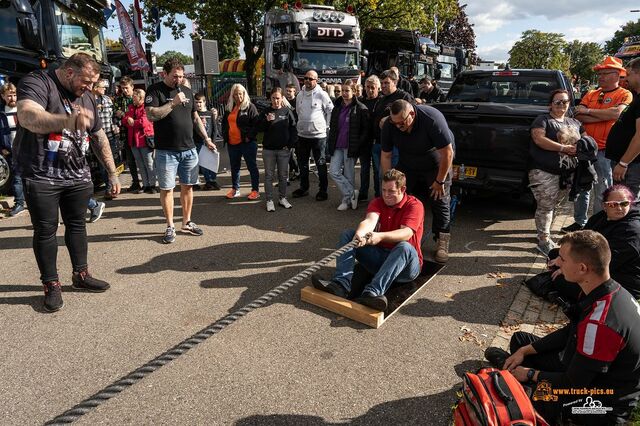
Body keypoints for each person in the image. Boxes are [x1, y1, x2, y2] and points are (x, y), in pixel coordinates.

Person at [485, 230, 640, 425]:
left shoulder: (600, 324)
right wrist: (525, 350)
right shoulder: (606, 288)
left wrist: (531, 374)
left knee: (534, 401)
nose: (557, 262)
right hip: (586, 366)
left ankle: (525, 385)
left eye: (562, 259)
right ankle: (516, 371)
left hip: (603, 402)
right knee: (520, 341)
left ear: (582, 268)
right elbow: (571, 331)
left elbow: (573, 383)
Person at [13, 53, 121, 312]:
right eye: (86, 81)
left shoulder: (88, 96)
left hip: (77, 174)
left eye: (93, 83)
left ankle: (81, 275)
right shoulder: (38, 82)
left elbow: (98, 135)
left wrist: (112, 172)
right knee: (46, 230)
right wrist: (68, 120)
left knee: (77, 225)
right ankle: (51, 284)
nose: (90, 88)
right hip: (41, 173)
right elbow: (28, 116)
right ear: (69, 72)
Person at [311, 169, 424, 311]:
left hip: (406, 268)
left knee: (404, 247)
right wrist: (360, 233)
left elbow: (406, 233)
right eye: (383, 190)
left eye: (391, 191)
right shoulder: (378, 202)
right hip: (381, 258)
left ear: (403, 189)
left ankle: (372, 293)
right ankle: (341, 284)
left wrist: (380, 236)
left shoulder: (414, 205)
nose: (386, 195)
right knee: (348, 234)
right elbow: (370, 221)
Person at [145, 58, 214, 244]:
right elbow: (151, 115)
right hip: (166, 151)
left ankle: (187, 222)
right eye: (175, 76)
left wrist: (207, 139)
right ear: (164, 74)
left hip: (189, 149)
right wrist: (173, 103)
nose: (179, 80)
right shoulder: (155, 90)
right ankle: (170, 226)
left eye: (181, 76)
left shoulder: (187, 91)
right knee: (167, 189)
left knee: (188, 186)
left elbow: (195, 117)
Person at [562, 57, 633, 233]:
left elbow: (617, 113)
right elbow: (578, 116)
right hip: (585, 150)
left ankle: (598, 226)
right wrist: (601, 114)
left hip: (605, 152)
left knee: (603, 188)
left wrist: (589, 112)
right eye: (600, 73)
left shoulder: (625, 94)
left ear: (617, 75)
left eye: (604, 73)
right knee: (581, 186)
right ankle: (580, 222)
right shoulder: (592, 93)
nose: (600, 77)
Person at [381, 100, 455, 264]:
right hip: (408, 163)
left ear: (412, 115)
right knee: (397, 196)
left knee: (439, 199)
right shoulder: (390, 124)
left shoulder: (431, 119)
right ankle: (397, 235)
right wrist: (388, 183)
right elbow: (385, 155)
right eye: (395, 123)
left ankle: (442, 240)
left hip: (436, 164)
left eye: (401, 123)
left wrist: (440, 181)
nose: (398, 127)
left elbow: (447, 153)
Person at [529, 89, 584, 256]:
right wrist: (563, 148)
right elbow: (539, 139)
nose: (562, 105)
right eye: (557, 102)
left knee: (555, 205)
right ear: (550, 105)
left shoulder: (574, 122)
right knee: (545, 206)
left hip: (567, 174)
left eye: (565, 102)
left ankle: (544, 233)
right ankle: (544, 241)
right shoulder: (543, 120)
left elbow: (585, 139)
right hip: (544, 171)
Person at [327, 80, 369, 211]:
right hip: (337, 145)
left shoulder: (360, 108)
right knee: (333, 171)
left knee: (349, 174)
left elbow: (365, 130)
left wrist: (358, 144)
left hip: (351, 146)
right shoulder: (337, 106)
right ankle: (351, 193)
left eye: (347, 91)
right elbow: (333, 127)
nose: (344, 93)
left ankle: (346, 201)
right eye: (342, 90)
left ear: (354, 92)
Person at [292, 69, 333, 201]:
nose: (308, 81)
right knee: (302, 163)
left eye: (311, 79)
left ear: (316, 80)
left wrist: (326, 126)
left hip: (318, 136)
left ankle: (323, 190)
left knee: (320, 163)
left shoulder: (322, 94)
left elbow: (330, 110)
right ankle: (304, 188)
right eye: (306, 78)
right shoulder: (299, 95)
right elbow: (298, 111)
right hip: (302, 135)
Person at [258, 87, 296, 212]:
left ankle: (282, 198)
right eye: (273, 98)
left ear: (282, 98)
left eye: (278, 98)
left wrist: (290, 145)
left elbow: (293, 129)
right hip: (268, 150)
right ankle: (269, 200)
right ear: (270, 99)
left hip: (283, 150)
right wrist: (266, 121)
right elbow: (259, 129)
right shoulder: (265, 111)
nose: (275, 101)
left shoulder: (287, 111)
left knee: (283, 176)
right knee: (269, 175)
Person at [607, 57, 640, 198]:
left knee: (627, 205)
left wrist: (623, 163)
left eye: (629, 74)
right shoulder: (637, 97)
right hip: (627, 165)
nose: (626, 78)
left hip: (631, 167)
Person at [221, 83, 260, 200]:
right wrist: (225, 135)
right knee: (234, 167)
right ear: (232, 96)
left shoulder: (250, 107)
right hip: (232, 143)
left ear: (244, 94)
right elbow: (224, 124)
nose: (238, 96)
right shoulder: (229, 108)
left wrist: (249, 136)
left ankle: (255, 190)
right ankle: (235, 189)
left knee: (251, 167)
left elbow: (256, 124)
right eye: (235, 94)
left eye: (240, 93)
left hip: (247, 143)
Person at [123, 88, 156, 194]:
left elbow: (144, 122)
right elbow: (125, 120)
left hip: (144, 140)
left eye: (134, 97)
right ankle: (145, 185)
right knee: (140, 164)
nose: (133, 98)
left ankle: (152, 185)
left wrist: (132, 122)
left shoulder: (146, 107)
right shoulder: (131, 107)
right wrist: (130, 121)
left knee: (149, 163)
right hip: (133, 141)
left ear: (141, 98)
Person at [0, 82, 25, 217]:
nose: (13, 98)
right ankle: (19, 204)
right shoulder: (1, 112)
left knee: (33, 179)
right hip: (11, 151)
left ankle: (34, 204)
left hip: (27, 149)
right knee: (17, 178)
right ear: (3, 96)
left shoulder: (23, 109)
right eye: (9, 96)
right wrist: (2, 149)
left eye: (15, 95)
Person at [93, 79, 120, 198]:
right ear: (95, 87)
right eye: (102, 87)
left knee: (111, 162)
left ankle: (111, 188)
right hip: (96, 137)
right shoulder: (89, 101)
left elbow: (112, 116)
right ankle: (109, 188)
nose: (105, 89)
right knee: (102, 164)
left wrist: (115, 126)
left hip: (110, 134)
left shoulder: (107, 99)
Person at [113, 76, 140, 194]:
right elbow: (116, 113)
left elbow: (140, 115)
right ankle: (135, 183)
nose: (124, 90)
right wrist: (123, 116)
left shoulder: (137, 98)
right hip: (125, 134)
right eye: (122, 88)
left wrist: (123, 114)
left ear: (132, 87)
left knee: (144, 160)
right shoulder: (118, 99)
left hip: (140, 135)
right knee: (130, 160)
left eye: (126, 88)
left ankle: (149, 183)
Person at [360, 75, 383, 201]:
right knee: (364, 169)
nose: (370, 90)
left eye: (372, 87)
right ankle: (363, 193)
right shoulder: (361, 101)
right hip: (364, 141)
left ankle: (378, 195)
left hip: (376, 141)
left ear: (378, 88)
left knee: (377, 170)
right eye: (367, 87)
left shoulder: (381, 101)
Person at [193, 93, 220, 190]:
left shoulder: (210, 114)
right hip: (198, 142)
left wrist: (213, 141)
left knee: (211, 162)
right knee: (202, 163)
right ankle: (207, 180)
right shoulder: (195, 114)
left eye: (200, 102)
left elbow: (214, 128)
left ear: (204, 102)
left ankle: (212, 180)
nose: (198, 104)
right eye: (196, 102)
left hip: (209, 142)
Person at [284, 83, 300, 181]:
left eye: (290, 91)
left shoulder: (297, 102)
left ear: (294, 92)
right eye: (287, 91)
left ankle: (297, 170)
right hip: (286, 131)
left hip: (296, 131)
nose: (288, 93)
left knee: (295, 153)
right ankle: (293, 169)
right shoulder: (282, 101)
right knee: (288, 153)